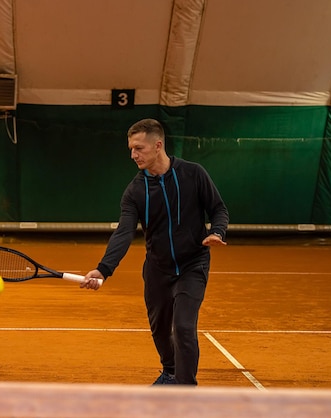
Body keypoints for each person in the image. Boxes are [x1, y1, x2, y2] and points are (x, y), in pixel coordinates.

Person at [80, 118, 229, 385]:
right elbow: (124, 232)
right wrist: (103, 269)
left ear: (158, 145)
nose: (133, 155)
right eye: (131, 149)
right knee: (160, 330)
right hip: (157, 269)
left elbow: (218, 208)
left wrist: (217, 231)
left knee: (183, 327)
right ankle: (170, 372)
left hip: (192, 264)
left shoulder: (193, 174)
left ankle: (185, 390)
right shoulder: (134, 191)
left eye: (139, 148)